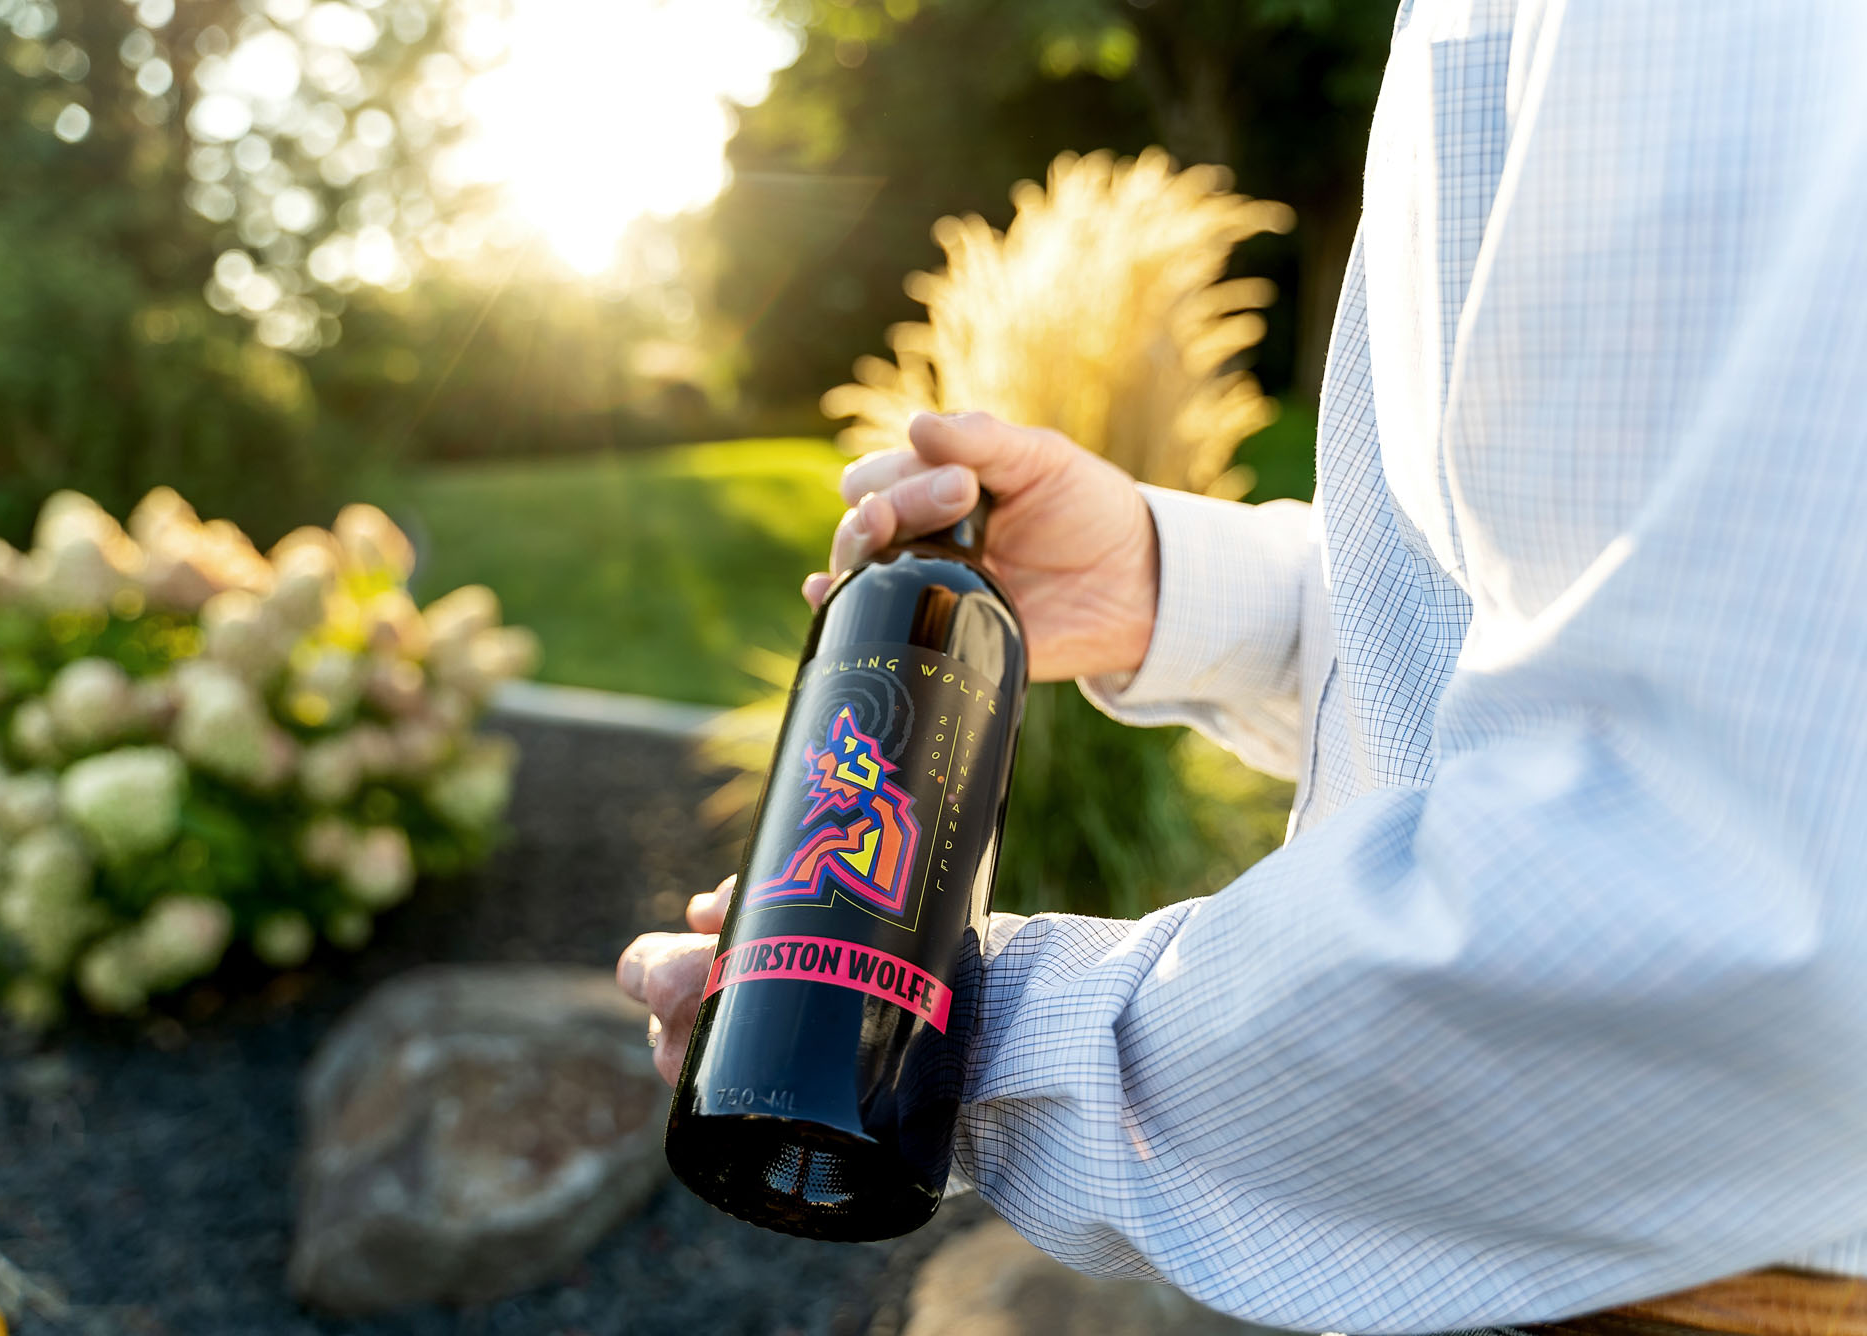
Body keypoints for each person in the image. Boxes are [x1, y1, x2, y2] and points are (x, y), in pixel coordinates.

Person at [618, 1, 1867, 1329]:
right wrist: (1172, 587)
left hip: (1658, 1287)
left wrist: (951, 1041)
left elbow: (1734, 895)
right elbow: (1583, 604)